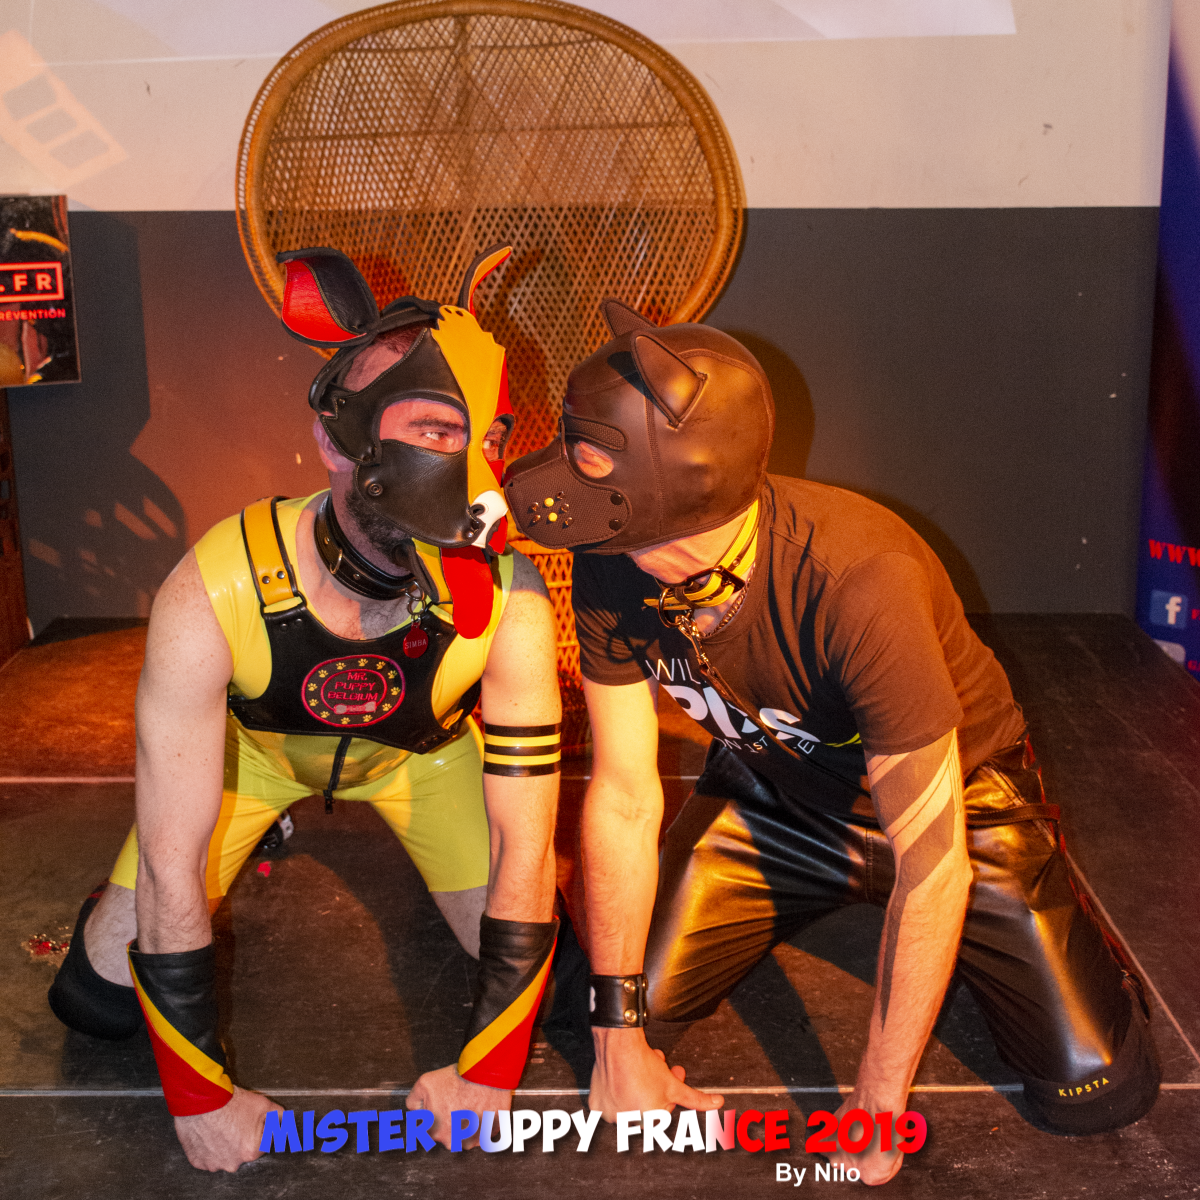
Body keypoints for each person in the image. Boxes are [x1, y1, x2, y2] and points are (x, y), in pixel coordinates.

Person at [504, 298, 1161, 1185]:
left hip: (961, 813)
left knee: (1095, 1091)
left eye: (589, 459)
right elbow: (623, 794)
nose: (561, 482)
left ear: (679, 480)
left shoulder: (860, 578)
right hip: (776, 795)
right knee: (608, 1010)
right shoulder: (611, 553)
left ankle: (1069, 941)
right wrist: (619, 1047)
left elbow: (933, 864)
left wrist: (878, 1106)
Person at [48, 246, 561, 1172]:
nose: (477, 476)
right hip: (253, 761)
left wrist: (488, 1075)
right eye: (437, 430)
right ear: (336, 442)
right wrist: (199, 1102)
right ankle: (230, 842)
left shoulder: (510, 597)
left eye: (487, 438)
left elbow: (526, 842)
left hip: (419, 758)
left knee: (543, 990)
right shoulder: (213, 589)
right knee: (95, 1004)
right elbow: (169, 857)